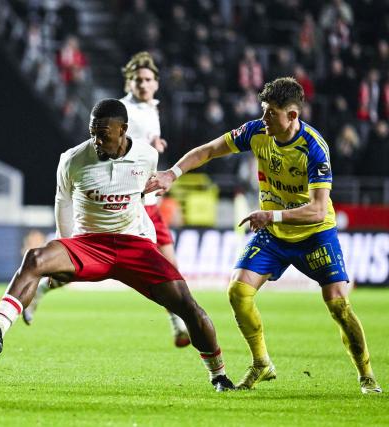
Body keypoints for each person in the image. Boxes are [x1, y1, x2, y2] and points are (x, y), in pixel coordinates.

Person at [0, 99, 235, 392]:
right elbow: (63, 202)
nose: (96, 141)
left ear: (123, 130)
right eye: (92, 133)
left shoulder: (147, 156)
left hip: (134, 245)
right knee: (35, 259)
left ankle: (218, 374)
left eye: (104, 134)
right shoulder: (72, 159)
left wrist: (150, 244)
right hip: (88, 243)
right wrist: (65, 247)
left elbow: (145, 202)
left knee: (189, 306)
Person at [145, 77, 382, 394]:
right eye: (264, 111)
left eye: (271, 112)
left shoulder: (314, 148)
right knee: (238, 292)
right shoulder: (257, 131)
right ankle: (262, 363)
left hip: (315, 233)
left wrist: (271, 215)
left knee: (338, 304)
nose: (264, 118)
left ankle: (366, 375)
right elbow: (210, 150)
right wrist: (172, 173)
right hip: (273, 233)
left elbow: (316, 209)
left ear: (292, 116)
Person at [23, 52, 191, 347]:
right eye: (138, 79)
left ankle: (177, 322)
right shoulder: (123, 111)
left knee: (170, 266)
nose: (143, 84)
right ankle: (38, 292)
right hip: (123, 205)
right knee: (80, 269)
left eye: (149, 79)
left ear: (157, 83)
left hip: (146, 204)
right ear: (129, 81)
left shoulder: (152, 108)